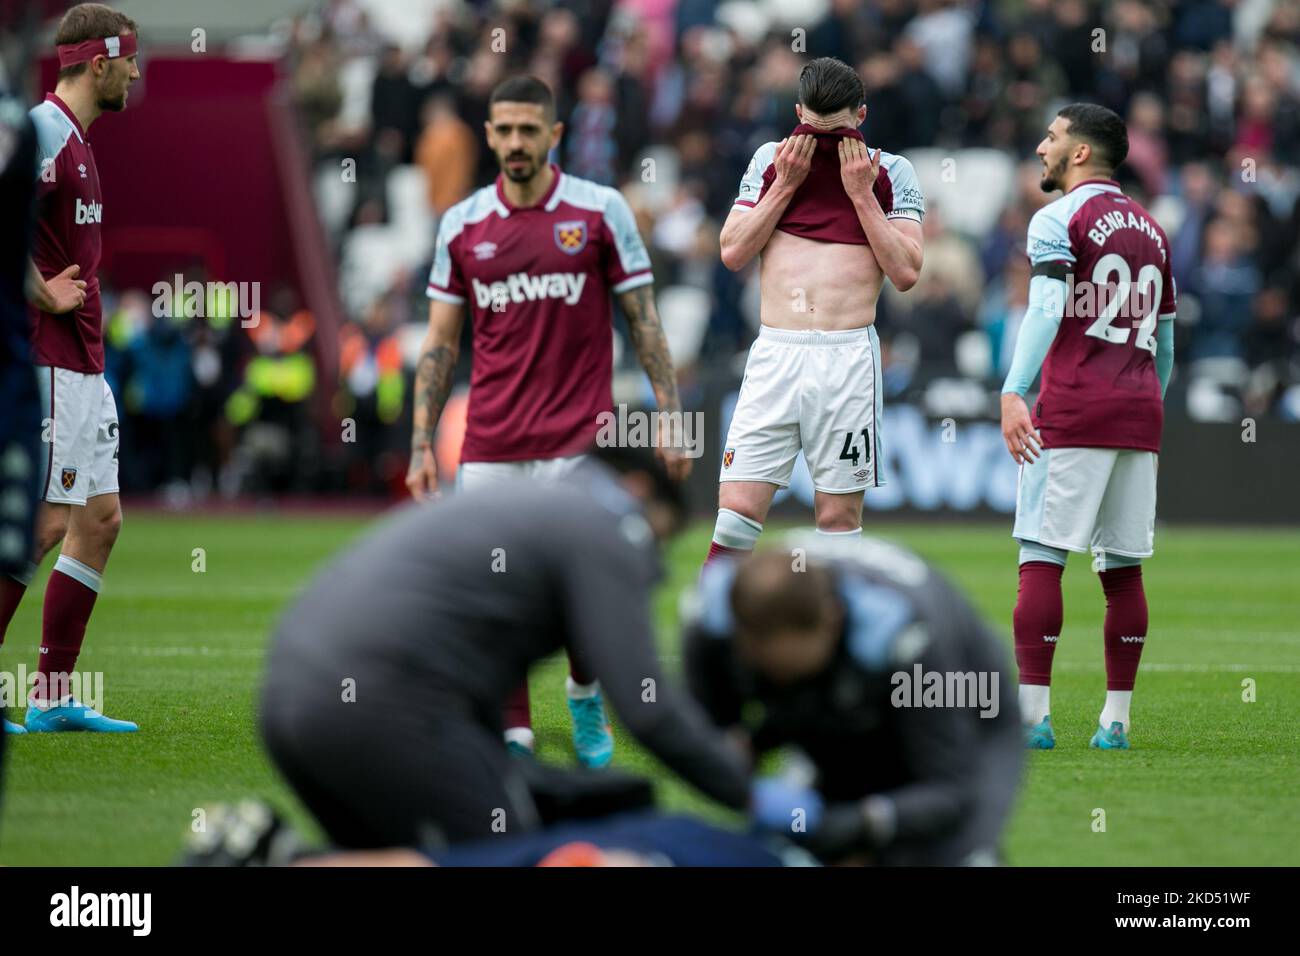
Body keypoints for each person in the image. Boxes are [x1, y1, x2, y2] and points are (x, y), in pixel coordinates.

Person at [261, 446, 750, 850]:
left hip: (288, 693)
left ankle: (277, 855)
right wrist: (749, 791)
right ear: (638, 490)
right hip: (380, 703)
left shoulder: (528, 504)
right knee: (506, 854)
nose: (652, 557)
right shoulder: (604, 523)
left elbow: (458, 657)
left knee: (399, 855)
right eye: (660, 536)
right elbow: (646, 709)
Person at [408, 74, 691, 766]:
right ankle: (515, 735)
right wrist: (420, 443)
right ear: (488, 135)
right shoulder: (463, 223)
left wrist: (671, 413)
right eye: (502, 130)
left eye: (528, 130)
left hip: (579, 443)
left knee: (584, 591)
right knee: (495, 596)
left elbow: (644, 321)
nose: (514, 143)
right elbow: (442, 341)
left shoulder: (600, 211)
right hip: (492, 443)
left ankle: (585, 699)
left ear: (554, 134)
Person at [999, 104, 1177, 751]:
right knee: (1124, 574)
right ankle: (1116, 723)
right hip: (1138, 414)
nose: (1042, 146)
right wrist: (1142, 406)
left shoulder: (1058, 218)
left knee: (1041, 558)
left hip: (1072, 409)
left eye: (1051, 136)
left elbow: (1046, 310)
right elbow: (1166, 347)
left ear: (1079, 153)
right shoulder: (1154, 230)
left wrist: (1015, 390)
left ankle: (1033, 720)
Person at [705, 56, 925, 567]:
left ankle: (836, 645)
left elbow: (906, 272)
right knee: (735, 513)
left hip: (846, 356)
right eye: (813, 130)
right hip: (776, 351)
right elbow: (733, 252)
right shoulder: (770, 160)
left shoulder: (890, 170)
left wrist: (860, 194)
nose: (823, 145)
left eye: (838, 132)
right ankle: (716, 637)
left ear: (862, 116)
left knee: (837, 521)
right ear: (798, 111)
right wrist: (786, 184)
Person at [684, 539, 1022, 865]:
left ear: (832, 623)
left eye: (788, 673)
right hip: (848, 695)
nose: (779, 684)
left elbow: (948, 788)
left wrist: (863, 823)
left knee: (950, 854)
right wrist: (741, 763)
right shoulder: (713, 626)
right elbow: (720, 738)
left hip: (969, 698)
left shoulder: (908, 639)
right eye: (764, 671)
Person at [0, 3, 140, 733]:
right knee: (45, 524)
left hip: (87, 364)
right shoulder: (43, 131)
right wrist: (40, 287)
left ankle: (51, 697)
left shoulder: (78, 139)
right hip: (50, 362)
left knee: (101, 520)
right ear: (99, 60)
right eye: (129, 60)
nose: (136, 73)